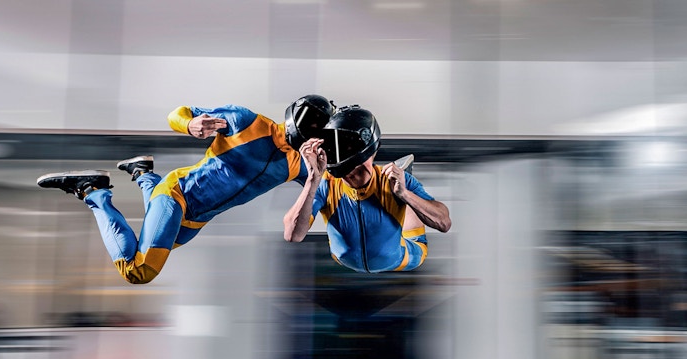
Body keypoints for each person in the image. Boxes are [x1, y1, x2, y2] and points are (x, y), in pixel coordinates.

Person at [37, 95, 336, 284]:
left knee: (151, 241)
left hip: (195, 221)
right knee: (138, 271)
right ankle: (92, 190)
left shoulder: (301, 165)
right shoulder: (247, 121)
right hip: (177, 193)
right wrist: (190, 123)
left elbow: (327, 194)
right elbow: (178, 112)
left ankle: (142, 172)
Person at [283, 105, 451, 273]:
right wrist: (312, 180)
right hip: (344, 258)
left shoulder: (390, 180)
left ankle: (404, 201)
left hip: (402, 256)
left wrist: (405, 194)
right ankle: (402, 202)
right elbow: (292, 235)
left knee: (403, 195)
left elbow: (444, 223)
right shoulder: (325, 184)